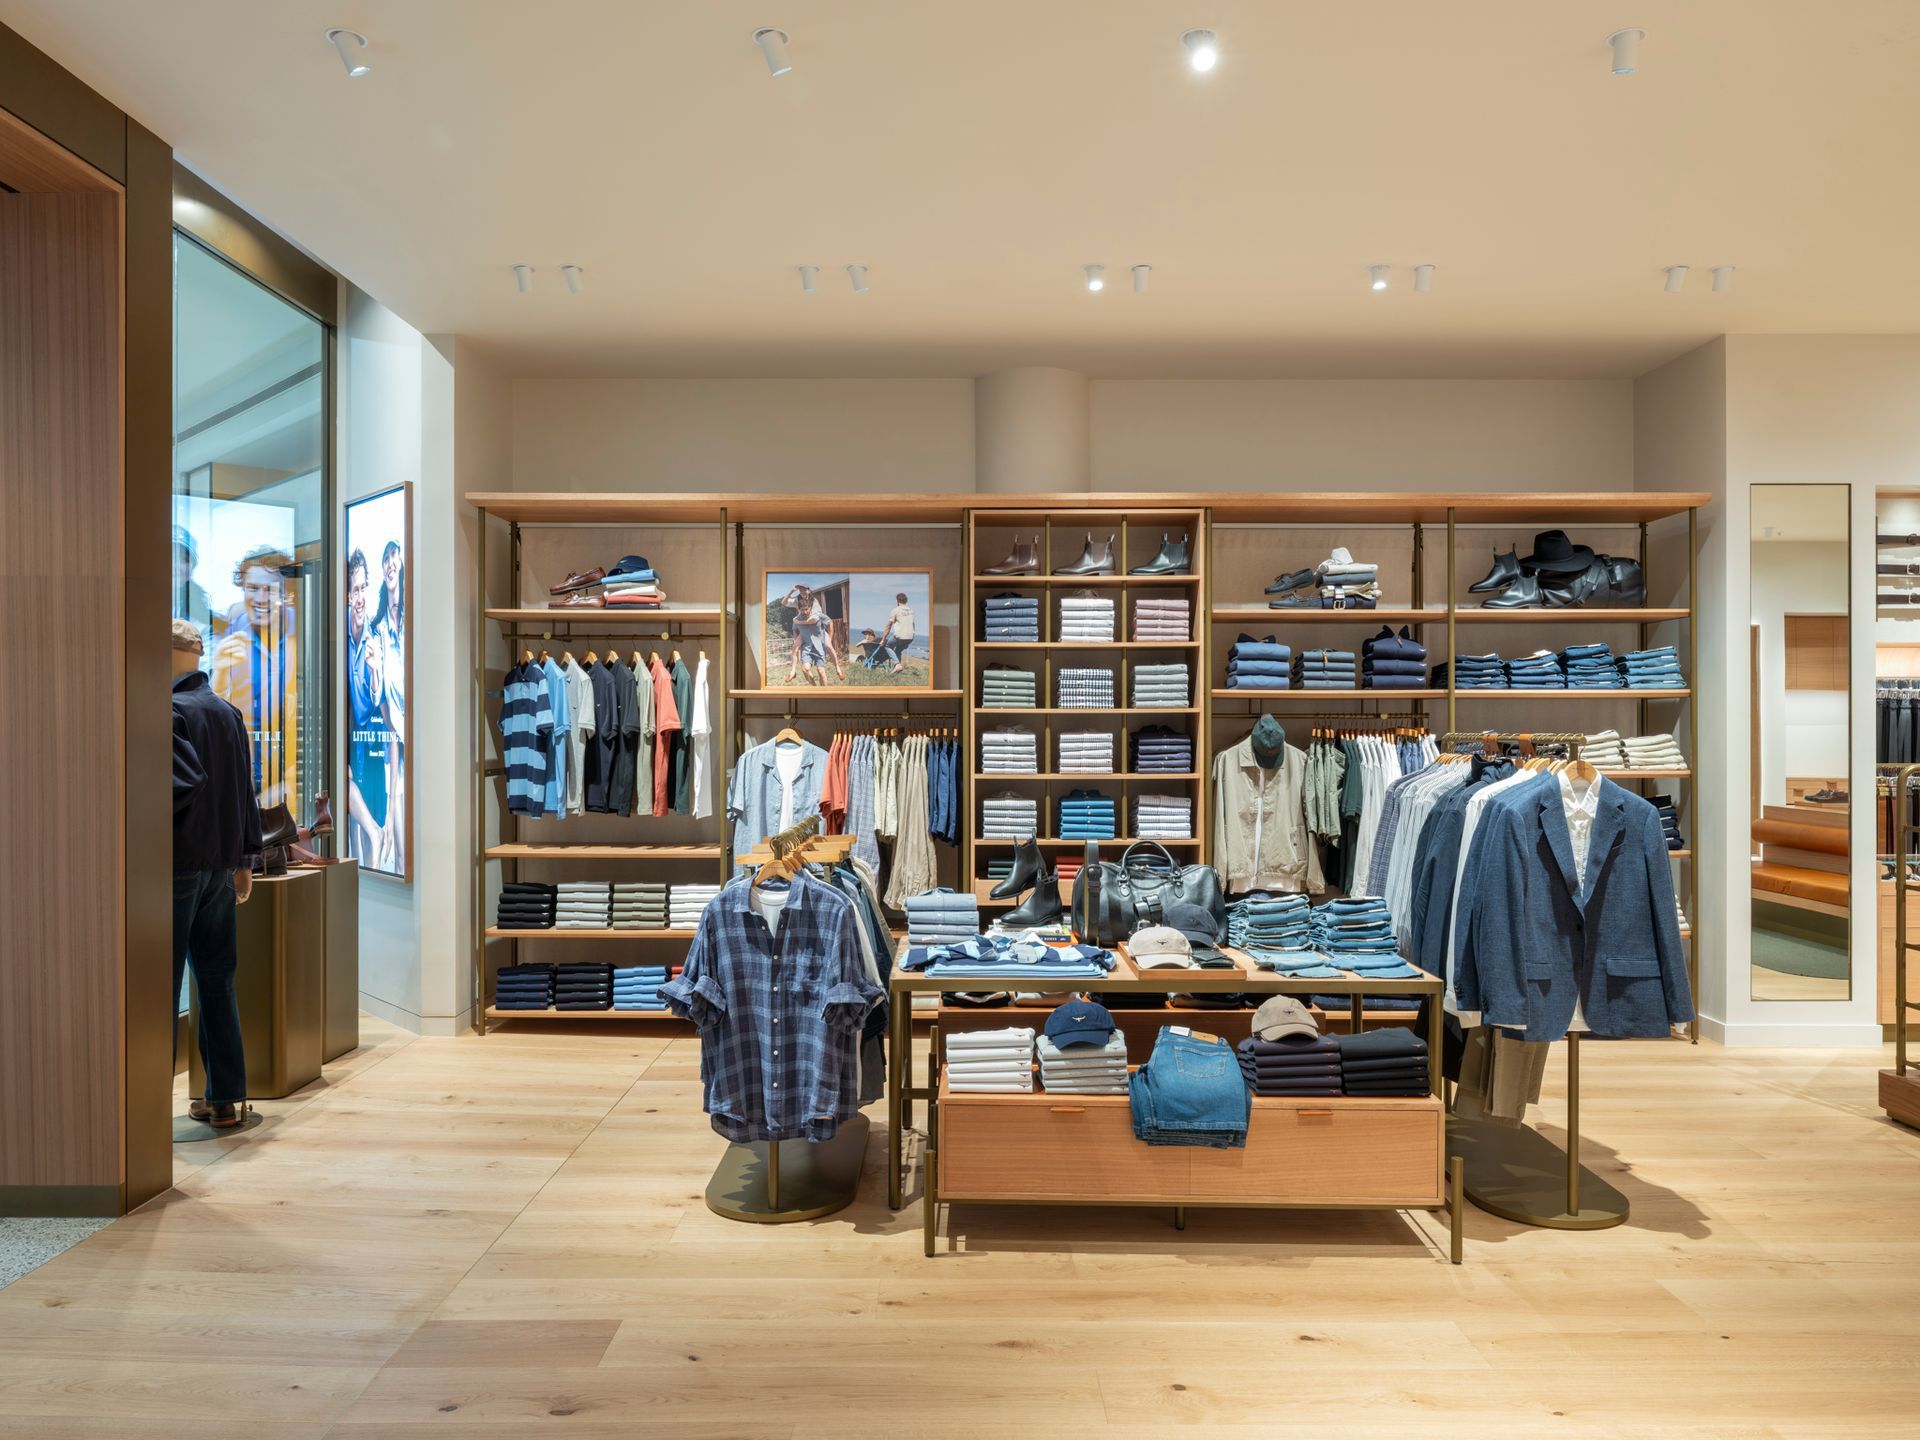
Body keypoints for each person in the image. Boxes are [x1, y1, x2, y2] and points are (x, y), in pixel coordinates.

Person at [172, 617, 262, 1130]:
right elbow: (244, 794)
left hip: (174, 866)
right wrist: (243, 861)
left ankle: (141, 1114)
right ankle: (225, 1099)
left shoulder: (167, 712)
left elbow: (172, 792)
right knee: (216, 982)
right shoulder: (227, 713)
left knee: (160, 988)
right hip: (219, 869)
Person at [211, 544, 298, 808]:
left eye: (269, 589)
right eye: (252, 588)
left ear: (284, 593)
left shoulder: (304, 629)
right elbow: (214, 714)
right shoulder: (231, 633)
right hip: (241, 769)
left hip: (287, 768)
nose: (260, 598)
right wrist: (219, 673)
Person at [346, 549, 391, 869]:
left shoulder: (374, 639)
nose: (359, 597)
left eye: (363, 588)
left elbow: (377, 698)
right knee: (354, 835)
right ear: (346, 595)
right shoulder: (340, 638)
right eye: (354, 590)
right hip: (348, 740)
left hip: (372, 741)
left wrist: (375, 670)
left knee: (371, 827)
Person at [373, 540, 407, 873]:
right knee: (397, 844)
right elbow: (379, 695)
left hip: (420, 745)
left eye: (394, 557)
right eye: (385, 559)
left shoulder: (415, 625)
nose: (389, 564)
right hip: (394, 747)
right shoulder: (379, 630)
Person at [876, 591, 915, 673]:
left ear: (897, 601)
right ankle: (898, 670)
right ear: (906, 601)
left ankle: (897, 664)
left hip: (900, 636)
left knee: (888, 646)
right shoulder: (911, 611)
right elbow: (912, 624)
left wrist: (883, 639)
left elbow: (888, 626)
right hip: (910, 637)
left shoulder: (895, 610)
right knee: (898, 651)